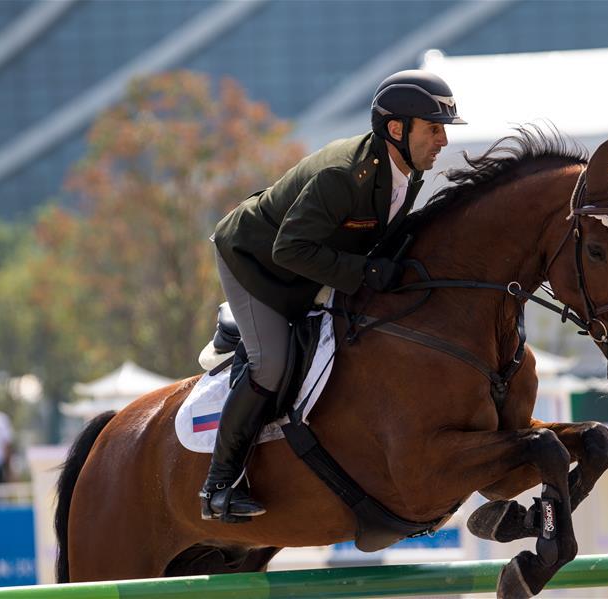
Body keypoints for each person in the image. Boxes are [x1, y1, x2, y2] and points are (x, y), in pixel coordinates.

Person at [200, 70, 467, 521]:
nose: (442, 140)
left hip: (305, 263)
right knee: (272, 364)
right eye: (433, 128)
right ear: (397, 130)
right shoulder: (344, 174)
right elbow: (288, 248)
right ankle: (218, 486)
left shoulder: (407, 171)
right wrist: (365, 270)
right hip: (254, 261)